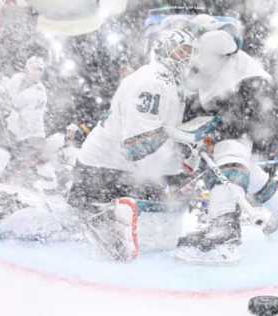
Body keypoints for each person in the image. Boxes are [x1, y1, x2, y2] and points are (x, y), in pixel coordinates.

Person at [67, 29, 198, 261]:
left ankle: (107, 215)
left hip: (122, 169)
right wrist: (177, 159)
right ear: (164, 49)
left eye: (189, 53)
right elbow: (138, 145)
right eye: (180, 51)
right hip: (103, 168)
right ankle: (104, 216)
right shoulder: (153, 81)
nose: (185, 59)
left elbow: (158, 139)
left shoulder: (171, 83)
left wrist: (180, 164)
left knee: (161, 224)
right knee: (73, 228)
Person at [175, 18, 278, 265]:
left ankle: (225, 227)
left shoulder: (210, 42)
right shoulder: (201, 73)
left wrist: (198, 37)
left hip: (248, 92)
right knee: (237, 162)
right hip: (238, 99)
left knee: (229, 149)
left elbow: (229, 38)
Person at [0, 56, 48, 182]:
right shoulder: (17, 78)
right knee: (3, 146)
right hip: (12, 118)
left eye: (40, 69)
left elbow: (30, 117)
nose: (37, 72)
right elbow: (5, 94)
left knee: (8, 148)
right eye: (34, 68)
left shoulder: (40, 93)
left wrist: (9, 115)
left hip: (31, 130)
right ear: (27, 68)